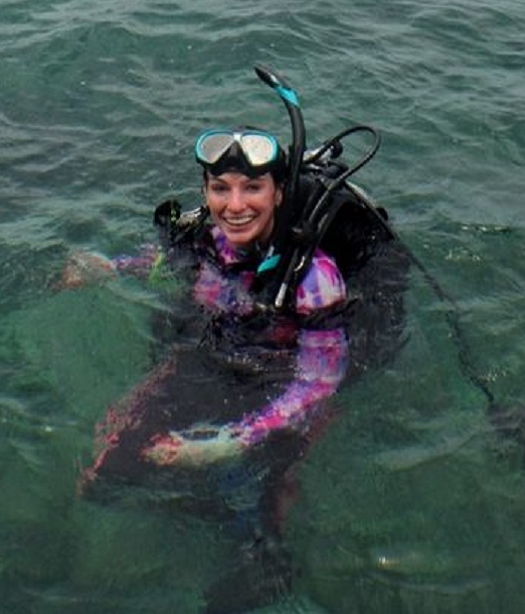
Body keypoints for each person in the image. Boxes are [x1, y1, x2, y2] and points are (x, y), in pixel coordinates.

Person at [59, 126, 354, 612]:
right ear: (206, 193)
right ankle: (198, 509)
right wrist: (111, 267)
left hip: (277, 381)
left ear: (277, 193)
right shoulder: (209, 239)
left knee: (260, 504)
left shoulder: (315, 278)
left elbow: (319, 385)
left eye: (252, 188)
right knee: (100, 480)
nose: (235, 205)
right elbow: (167, 263)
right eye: (221, 189)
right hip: (209, 360)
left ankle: (264, 553)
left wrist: (236, 439)